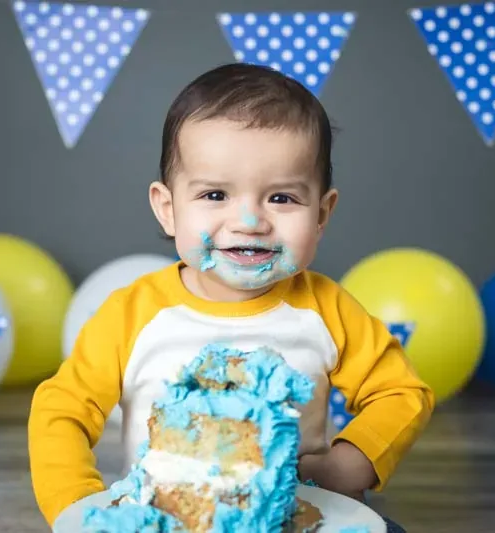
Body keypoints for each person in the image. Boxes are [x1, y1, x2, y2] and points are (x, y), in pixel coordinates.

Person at [28, 62, 435, 527]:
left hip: (292, 516)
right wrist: (76, 503)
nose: (249, 221)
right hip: (174, 518)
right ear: (168, 209)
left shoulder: (325, 307)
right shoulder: (133, 314)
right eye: (215, 195)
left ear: (322, 213)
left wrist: (352, 461)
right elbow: (60, 409)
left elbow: (400, 392)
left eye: (281, 198)